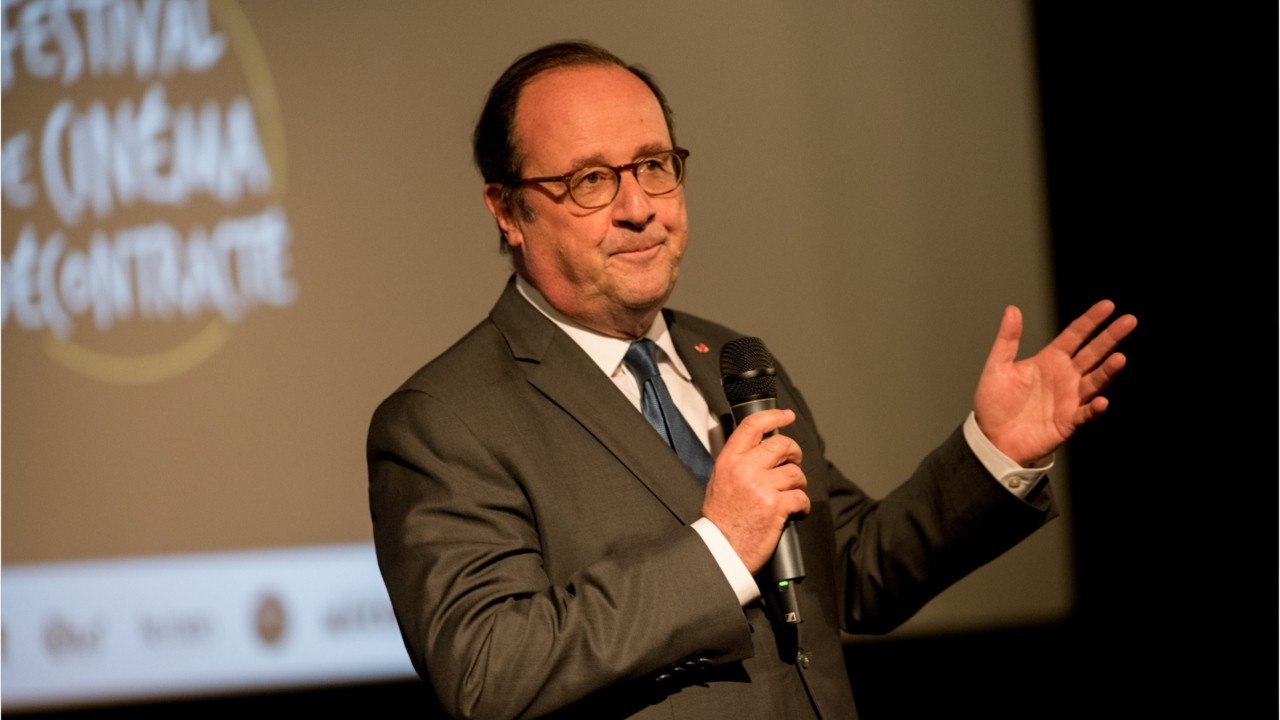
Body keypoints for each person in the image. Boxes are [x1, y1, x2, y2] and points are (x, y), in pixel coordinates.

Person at [367, 41, 1135, 720]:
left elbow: (854, 574)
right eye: (592, 180)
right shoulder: (444, 420)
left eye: (655, 167)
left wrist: (993, 453)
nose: (639, 209)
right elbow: (487, 672)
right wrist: (719, 548)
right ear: (508, 210)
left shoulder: (730, 359)